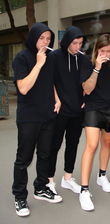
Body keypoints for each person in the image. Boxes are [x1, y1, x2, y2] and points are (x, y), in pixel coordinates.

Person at [12, 23, 62, 217]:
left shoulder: (49, 59)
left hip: (48, 115)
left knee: (45, 154)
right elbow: (23, 87)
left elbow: (51, 83)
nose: (45, 42)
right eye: (42, 38)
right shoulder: (22, 58)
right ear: (33, 38)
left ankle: (40, 188)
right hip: (29, 117)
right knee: (24, 159)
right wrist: (38, 64)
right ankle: (20, 196)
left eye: (48, 39)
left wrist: (57, 99)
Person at [79, 34, 110, 211]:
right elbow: (87, 89)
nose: (106, 54)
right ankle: (84, 190)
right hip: (93, 107)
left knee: (107, 142)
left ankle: (102, 175)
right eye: (102, 51)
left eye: (109, 51)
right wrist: (96, 68)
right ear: (97, 50)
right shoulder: (88, 63)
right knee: (92, 145)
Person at [47, 26, 86, 195]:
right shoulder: (54, 56)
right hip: (60, 110)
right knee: (54, 145)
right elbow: (50, 81)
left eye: (81, 43)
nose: (78, 46)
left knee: (73, 144)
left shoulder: (83, 59)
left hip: (77, 111)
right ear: (67, 41)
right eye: (75, 43)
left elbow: (87, 83)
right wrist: (56, 99)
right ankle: (49, 180)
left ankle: (68, 178)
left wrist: (85, 100)